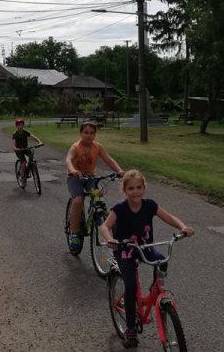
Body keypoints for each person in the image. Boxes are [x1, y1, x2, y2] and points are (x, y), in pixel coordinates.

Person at [100, 170, 195, 348]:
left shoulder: (150, 205)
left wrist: (183, 227)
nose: (135, 192)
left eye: (139, 187)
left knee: (162, 259)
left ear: (144, 188)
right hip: (125, 250)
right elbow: (105, 227)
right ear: (124, 190)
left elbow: (169, 218)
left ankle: (155, 287)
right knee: (130, 287)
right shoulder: (119, 209)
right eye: (131, 188)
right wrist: (110, 239)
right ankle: (130, 328)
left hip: (144, 247)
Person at [65, 121, 124, 252]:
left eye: (92, 133)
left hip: (90, 177)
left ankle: (98, 214)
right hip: (75, 178)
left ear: (95, 134)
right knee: (78, 200)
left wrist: (119, 171)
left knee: (98, 193)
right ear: (80, 133)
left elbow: (109, 160)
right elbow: (68, 160)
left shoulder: (97, 147)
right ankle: (74, 233)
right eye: (85, 132)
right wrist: (73, 170)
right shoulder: (75, 147)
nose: (89, 135)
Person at [12, 118, 42, 187]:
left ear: (23, 125)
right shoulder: (15, 134)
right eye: (19, 125)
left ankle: (31, 166)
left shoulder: (25, 132)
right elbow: (13, 143)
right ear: (16, 126)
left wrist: (39, 142)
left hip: (25, 148)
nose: (20, 126)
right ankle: (23, 178)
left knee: (31, 155)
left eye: (22, 125)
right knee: (24, 162)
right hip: (19, 150)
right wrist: (15, 148)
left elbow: (33, 137)